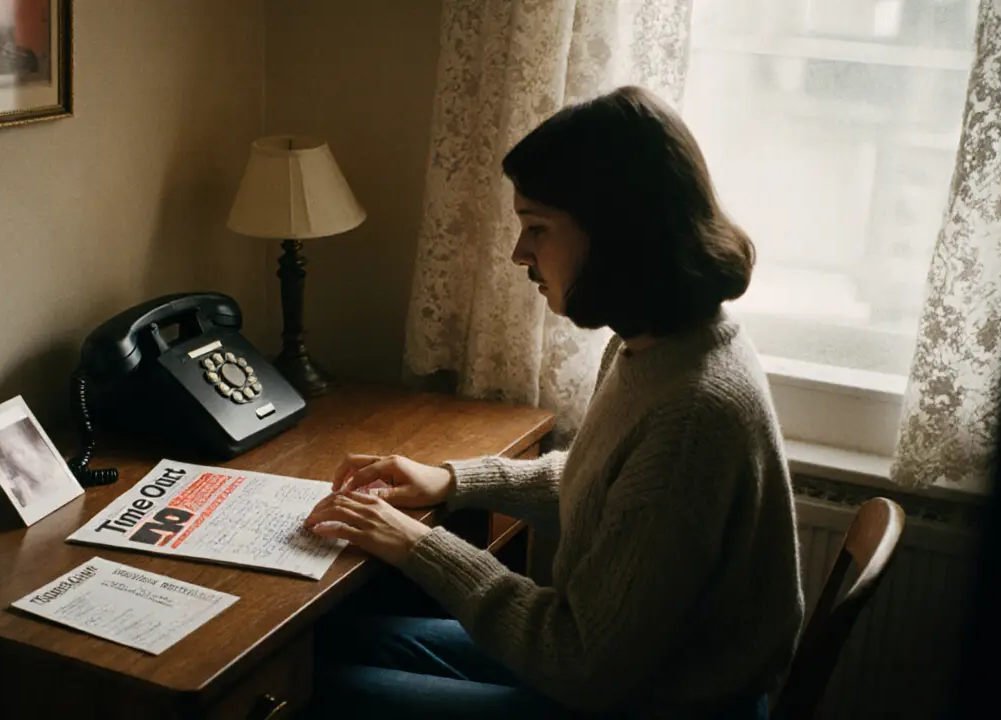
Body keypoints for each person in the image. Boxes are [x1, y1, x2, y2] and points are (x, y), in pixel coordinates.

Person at [302, 85, 805, 719]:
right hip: (628, 673)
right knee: (325, 645)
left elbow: (577, 660)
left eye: (537, 228)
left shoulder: (694, 411)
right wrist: (454, 480)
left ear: (617, 231)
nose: (519, 254)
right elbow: (607, 483)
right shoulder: (657, 343)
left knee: (309, 694)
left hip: (650, 701)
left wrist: (417, 544)